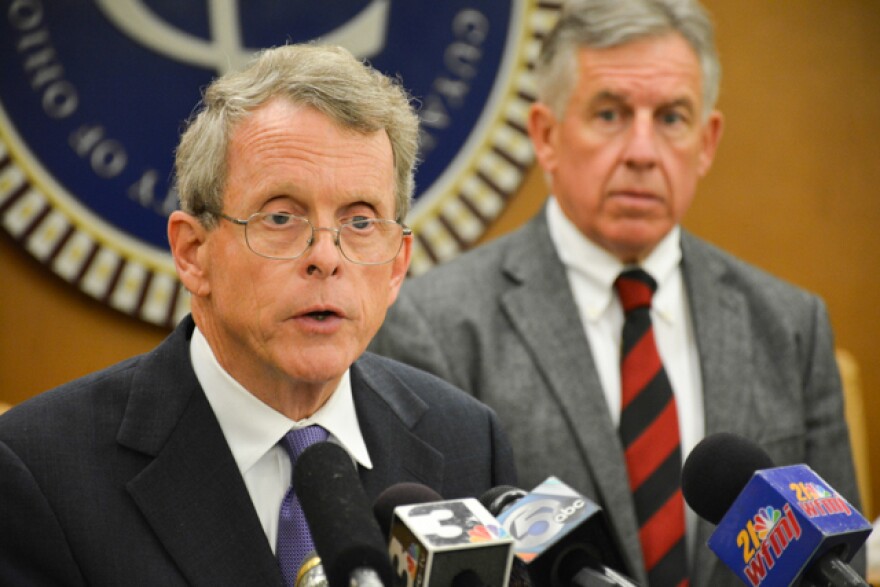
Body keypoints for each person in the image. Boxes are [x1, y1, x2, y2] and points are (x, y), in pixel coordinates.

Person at [370, 0, 864, 585]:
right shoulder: (436, 325)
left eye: (672, 118)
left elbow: (838, 566)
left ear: (706, 142)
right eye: (610, 114)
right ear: (545, 135)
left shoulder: (791, 324)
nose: (641, 152)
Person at [0, 44, 516, 586]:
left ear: (396, 266)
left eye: (361, 222)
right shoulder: (42, 470)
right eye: (281, 217)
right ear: (193, 252)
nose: (326, 257)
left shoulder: (465, 442)